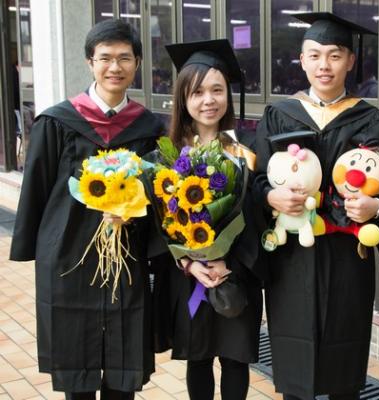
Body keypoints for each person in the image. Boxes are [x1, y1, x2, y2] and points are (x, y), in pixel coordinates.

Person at [9, 20, 165, 399]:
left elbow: (159, 195)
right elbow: (37, 189)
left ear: (137, 63)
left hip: (125, 257)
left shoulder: (148, 128)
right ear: (90, 62)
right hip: (68, 256)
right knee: (75, 369)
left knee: (122, 368)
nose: (115, 67)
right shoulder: (56, 121)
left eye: (124, 58)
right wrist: (35, 248)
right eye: (106, 58)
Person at [253, 12, 379, 400]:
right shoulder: (279, 115)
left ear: (350, 61)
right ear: (301, 60)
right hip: (291, 253)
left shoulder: (370, 118)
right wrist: (270, 195)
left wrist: (375, 206)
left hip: (349, 253)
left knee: (345, 350)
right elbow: (256, 178)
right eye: (314, 55)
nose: (324, 65)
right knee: (294, 348)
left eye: (334, 55)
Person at [161, 39, 265, 400]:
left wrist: (227, 262)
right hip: (190, 280)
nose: (209, 100)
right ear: (183, 99)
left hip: (238, 274)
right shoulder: (168, 154)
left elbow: (259, 219)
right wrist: (189, 262)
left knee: (236, 361)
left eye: (217, 90)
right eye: (198, 92)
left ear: (228, 97)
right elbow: (161, 224)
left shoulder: (248, 150)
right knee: (198, 360)